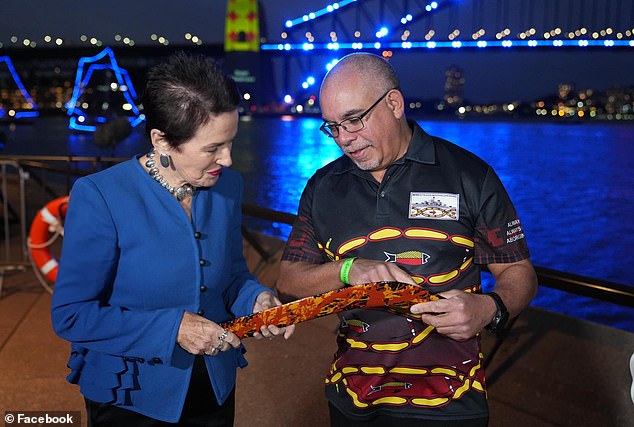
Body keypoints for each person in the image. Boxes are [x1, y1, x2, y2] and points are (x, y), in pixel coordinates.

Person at [277, 52, 538, 426]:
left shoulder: (470, 176)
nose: (344, 140)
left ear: (394, 104)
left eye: (354, 120)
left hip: (451, 405)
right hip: (351, 399)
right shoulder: (323, 187)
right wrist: (349, 270)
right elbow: (288, 281)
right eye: (332, 126)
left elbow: (518, 271)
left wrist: (489, 310)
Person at [51, 52, 293, 426]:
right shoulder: (99, 196)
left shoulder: (228, 186)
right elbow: (72, 315)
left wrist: (256, 298)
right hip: (130, 397)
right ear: (161, 141)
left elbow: (231, 276)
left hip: (214, 384)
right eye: (212, 148)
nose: (227, 160)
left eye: (230, 142)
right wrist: (174, 328)